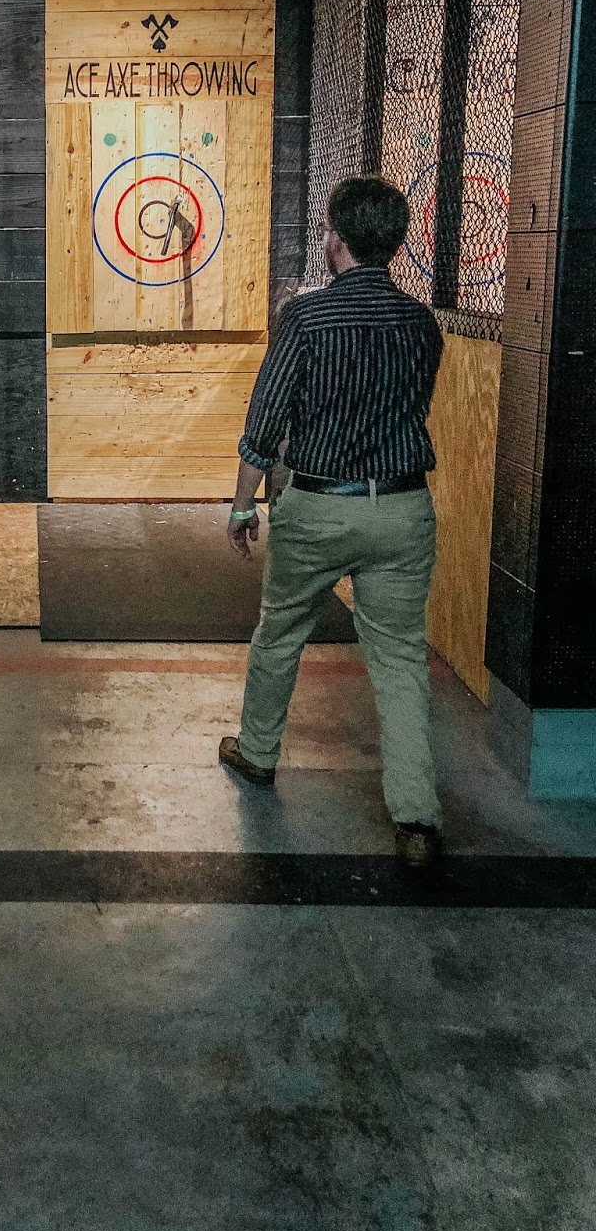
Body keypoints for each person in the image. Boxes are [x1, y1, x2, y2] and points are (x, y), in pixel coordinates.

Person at [220, 176, 445, 867]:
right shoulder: (421, 324)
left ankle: (258, 755)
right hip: (403, 510)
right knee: (400, 659)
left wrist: (242, 502)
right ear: (397, 244)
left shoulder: (306, 318)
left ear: (336, 239)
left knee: (281, 631)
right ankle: (416, 819)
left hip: (318, 506)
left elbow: (267, 418)